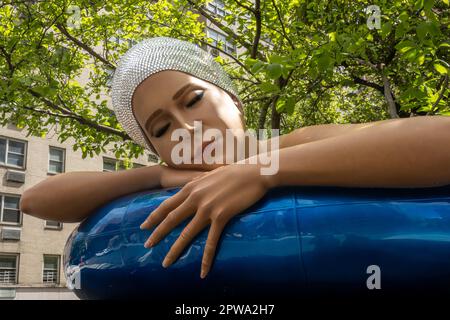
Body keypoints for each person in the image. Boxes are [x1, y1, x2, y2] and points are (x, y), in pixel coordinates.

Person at [20, 37, 450, 279]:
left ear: (233, 98)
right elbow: (36, 200)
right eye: (162, 129)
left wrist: (261, 171)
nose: (187, 129)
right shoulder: (171, 173)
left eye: (192, 101)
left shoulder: (287, 144)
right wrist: (158, 175)